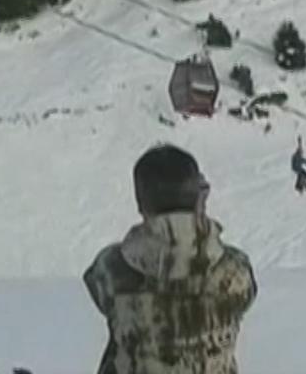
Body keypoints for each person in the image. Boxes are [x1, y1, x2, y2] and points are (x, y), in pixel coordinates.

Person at [83, 144, 257, 374]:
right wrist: (199, 219)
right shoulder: (235, 269)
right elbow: (246, 297)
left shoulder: (112, 268)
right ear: (198, 196)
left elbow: (97, 288)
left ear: (140, 201)